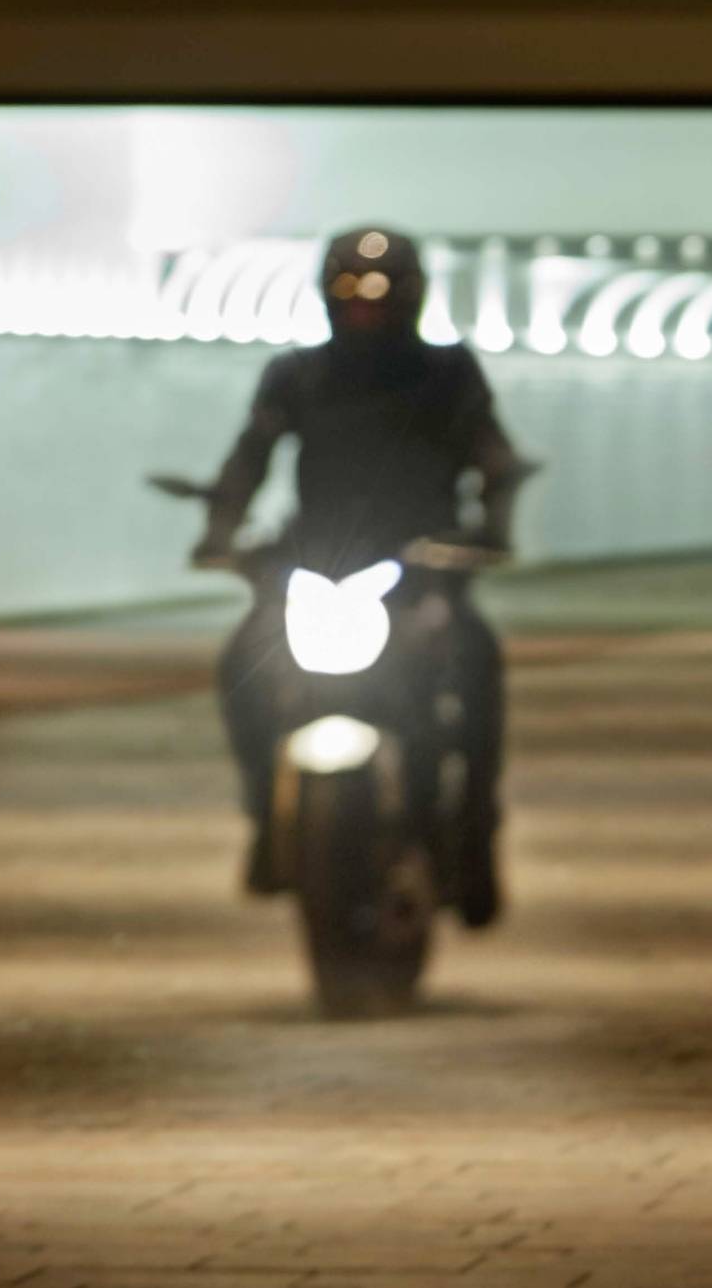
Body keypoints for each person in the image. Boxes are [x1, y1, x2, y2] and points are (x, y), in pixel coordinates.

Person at [197, 226, 529, 924]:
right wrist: (222, 530)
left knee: (474, 665)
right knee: (242, 665)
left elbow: (492, 453)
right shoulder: (295, 374)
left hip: (422, 568)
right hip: (317, 567)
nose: (365, 312)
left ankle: (474, 838)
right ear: (326, 297)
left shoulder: (446, 373)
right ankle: (266, 811)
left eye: (380, 298)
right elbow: (250, 453)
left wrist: (492, 523)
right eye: (351, 297)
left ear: (410, 299)